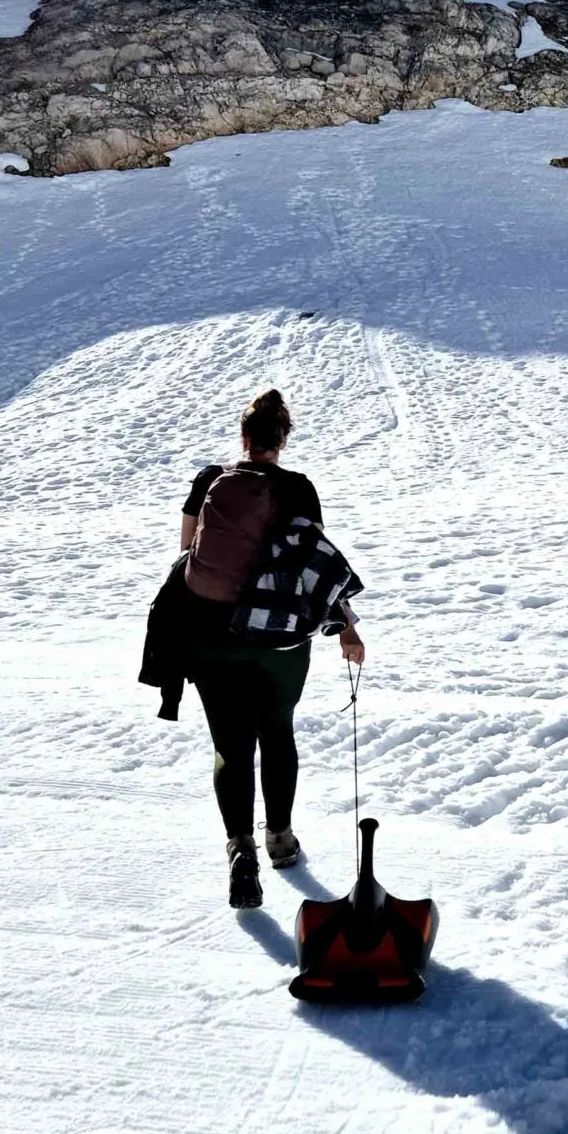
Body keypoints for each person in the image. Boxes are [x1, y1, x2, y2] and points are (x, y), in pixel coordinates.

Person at [178, 389, 365, 908]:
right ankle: (279, 839)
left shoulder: (209, 481)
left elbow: (185, 554)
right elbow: (315, 566)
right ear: (283, 439)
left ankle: (240, 848)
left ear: (244, 437)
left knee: (229, 745)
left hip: (211, 635)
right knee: (275, 732)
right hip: (279, 639)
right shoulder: (299, 489)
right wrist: (347, 626)